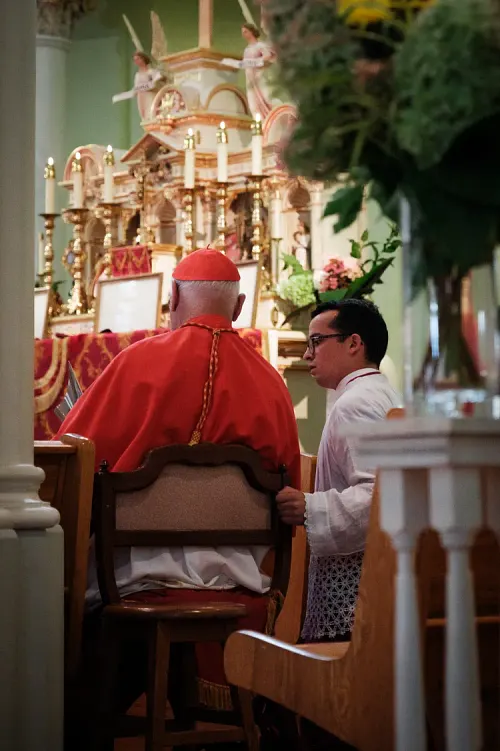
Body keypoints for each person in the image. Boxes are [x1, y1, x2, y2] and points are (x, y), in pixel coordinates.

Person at [59, 248, 301, 736]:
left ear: (171, 296)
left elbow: (74, 456)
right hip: (236, 575)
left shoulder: (136, 362)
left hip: (132, 575)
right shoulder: (272, 382)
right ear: (239, 307)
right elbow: (288, 486)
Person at [255, 299, 400, 750]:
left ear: (354, 343)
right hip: (372, 579)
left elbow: (379, 496)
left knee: (336, 715)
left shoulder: (356, 404)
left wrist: (310, 508)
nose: (307, 354)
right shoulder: (380, 393)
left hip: (353, 591)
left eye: (317, 341)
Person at [241, 22, 276, 119]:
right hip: (250, 79)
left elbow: (268, 55)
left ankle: (269, 119)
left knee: (265, 99)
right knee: (253, 104)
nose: (243, 34)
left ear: (251, 32)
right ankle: (259, 122)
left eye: (245, 31)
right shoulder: (247, 49)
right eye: (243, 32)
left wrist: (256, 62)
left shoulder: (260, 45)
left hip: (259, 77)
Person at [133, 51, 165, 121]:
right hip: (142, 97)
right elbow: (136, 87)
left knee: (151, 112)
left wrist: (152, 84)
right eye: (135, 60)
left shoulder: (151, 72)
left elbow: (157, 81)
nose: (136, 61)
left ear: (143, 59)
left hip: (150, 95)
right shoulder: (137, 75)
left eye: (138, 59)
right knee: (144, 115)